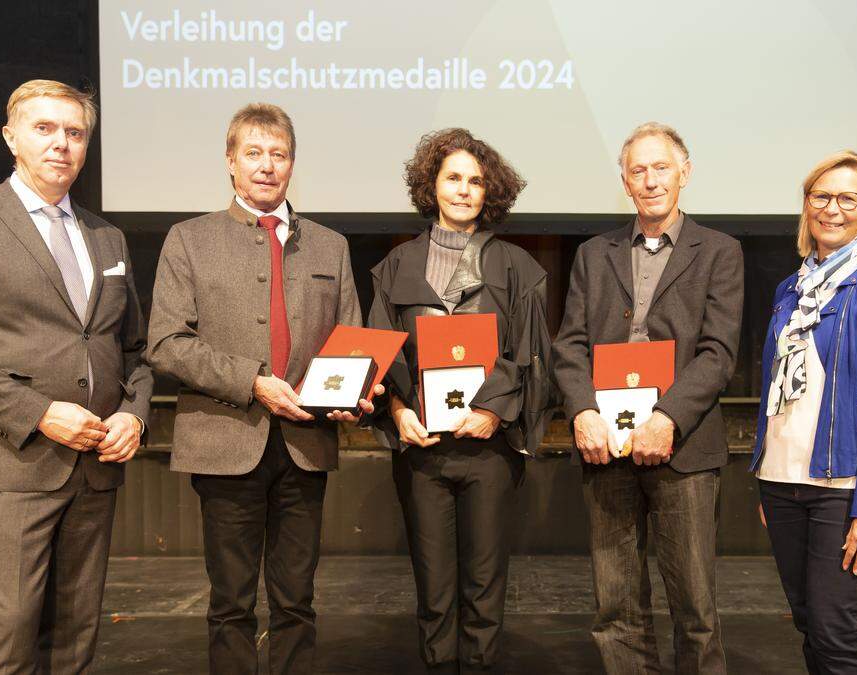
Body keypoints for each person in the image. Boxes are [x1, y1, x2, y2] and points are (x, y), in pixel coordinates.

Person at [0, 79, 153, 672]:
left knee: (75, 635)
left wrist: (135, 414)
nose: (61, 144)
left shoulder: (107, 236)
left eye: (74, 133)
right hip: (11, 463)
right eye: (44, 129)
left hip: (94, 466)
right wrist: (38, 413)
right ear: (10, 136)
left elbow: (138, 349)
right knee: (11, 631)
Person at [146, 102, 376, 673]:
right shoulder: (188, 239)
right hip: (226, 442)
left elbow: (351, 342)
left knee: (297, 601)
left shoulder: (330, 245)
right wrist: (253, 382)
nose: (267, 166)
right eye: (254, 153)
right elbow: (166, 342)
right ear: (230, 162)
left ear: (293, 163)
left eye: (278, 154)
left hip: (307, 443)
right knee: (231, 603)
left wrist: (354, 395)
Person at [552, 122, 743, 674]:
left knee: (696, 608)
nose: (651, 179)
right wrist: (583, 410)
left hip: (682, 449)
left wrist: (667, 418)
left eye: (661, 167)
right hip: (605, 447)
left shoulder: (721, 252)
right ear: (625, 181)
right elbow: (570, 345)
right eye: (638, 170)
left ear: (685, 172)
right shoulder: (594, 253)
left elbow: (717, 352)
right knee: (615, 607)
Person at [368, 127, 551, 673]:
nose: (464, 190)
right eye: (453, 178)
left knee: (484, 582)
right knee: (433, 584)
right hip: (422, 448)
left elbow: (531, 352)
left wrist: (494, 409)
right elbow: (380, 349)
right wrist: (398, 411)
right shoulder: (396, 266)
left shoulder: (517, 267)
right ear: (432, 185)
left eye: (476, 181)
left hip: (489, 449)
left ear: (489, 192)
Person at [751, 151, 857, 673]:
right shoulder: (790, 289)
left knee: (835, 630)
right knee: (810, 624)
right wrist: (766, 476)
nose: (833, 208)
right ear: (806, 206)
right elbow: (773, 395)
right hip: (782, 480)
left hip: (843, 489)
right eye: (821, 196)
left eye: (849, 198)